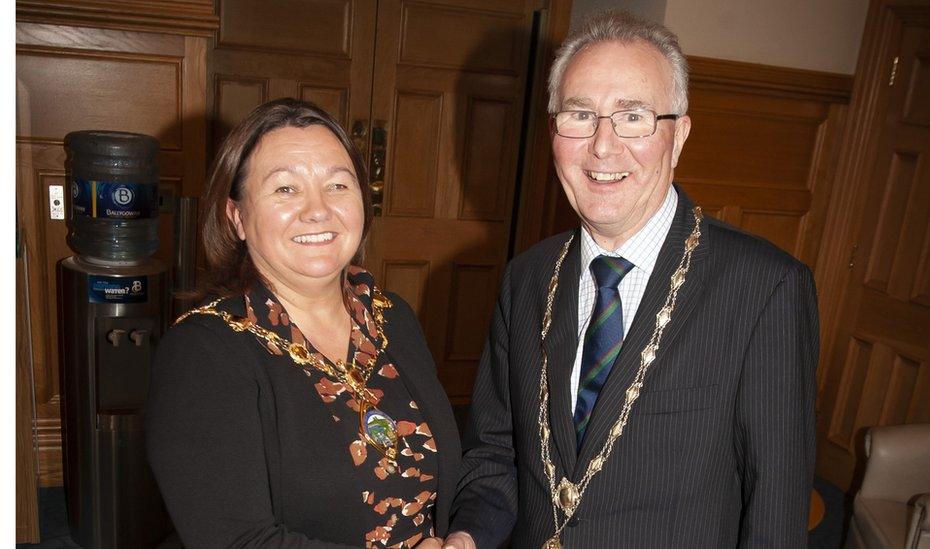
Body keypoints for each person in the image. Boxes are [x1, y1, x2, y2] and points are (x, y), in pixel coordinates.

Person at [445, 10, 819, 548]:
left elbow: (776, 513)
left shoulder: (766, 290)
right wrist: (468, 536)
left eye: (633, 116)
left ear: (679, 134)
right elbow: (496, 452)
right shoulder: (525, 278)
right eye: (579, 115)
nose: (602, 145)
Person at [146, 98, 460, 548]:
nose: (318, 210)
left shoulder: (392, 317)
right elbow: (237, 541)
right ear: (237, 217)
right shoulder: (203, 353)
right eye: (285, 189)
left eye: (338, 185)